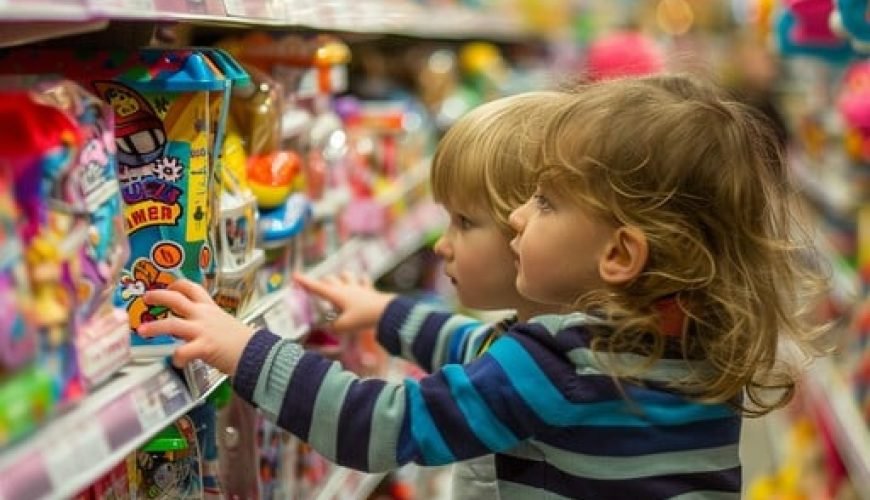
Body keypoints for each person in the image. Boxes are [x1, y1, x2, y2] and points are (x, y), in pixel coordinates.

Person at [139, 74, 826, 498]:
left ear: (619, 254)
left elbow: (380, 426)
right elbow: (486, 352)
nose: (519, 216)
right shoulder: (681, 346)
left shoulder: (560, 367)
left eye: (547, 204)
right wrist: (388, 314)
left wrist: (244, 349)